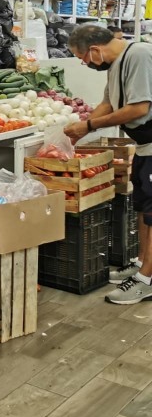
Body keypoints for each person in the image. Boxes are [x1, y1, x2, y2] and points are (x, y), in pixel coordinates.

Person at [63, 24, 152, 305]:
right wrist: (82, 128)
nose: (82, 62)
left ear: (95, 50)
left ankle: (147, 280)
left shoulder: (138, 55)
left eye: (82, 57)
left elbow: (139, 108)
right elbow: (108, 104)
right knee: (142, 206)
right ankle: (141, 264)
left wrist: (88, 124)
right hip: (144, 145)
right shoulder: (115, 64)